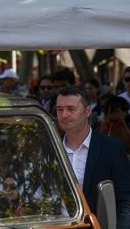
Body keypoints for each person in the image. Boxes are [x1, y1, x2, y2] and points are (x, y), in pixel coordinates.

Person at [56, 85, 130, 229]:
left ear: (88, 111)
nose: (64, 115)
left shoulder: (111, 149)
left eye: (71, 109)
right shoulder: (51, 149)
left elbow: (125, 202)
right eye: (60, 109)